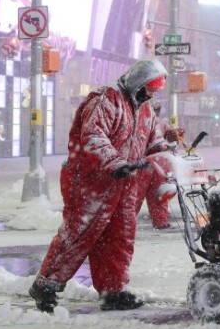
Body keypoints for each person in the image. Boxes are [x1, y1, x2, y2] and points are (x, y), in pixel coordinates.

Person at [29, 59, 171, 313]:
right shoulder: (107, 101)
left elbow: (152, 142)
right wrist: (115, 162)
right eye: (150, 86)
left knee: (120, 237)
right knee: (79, 234)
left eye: (156, 88)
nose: (152, 93)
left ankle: (112, 291)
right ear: (138, 82)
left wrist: (165, 155)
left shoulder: (146, 111)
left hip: (125, 183)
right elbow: (93, 136)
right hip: (92, 180)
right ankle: (46, 285)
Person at [138, 100, 177, 230]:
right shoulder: (139, 123)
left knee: (159, 195)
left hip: (157, 166)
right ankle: (126, 225)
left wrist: (174, 135)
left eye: (157, 109)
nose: (156, 112)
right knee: (134, 198)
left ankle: (161, 222)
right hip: (143, 165)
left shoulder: (162, 124)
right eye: (154, 109)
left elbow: (170, 139)